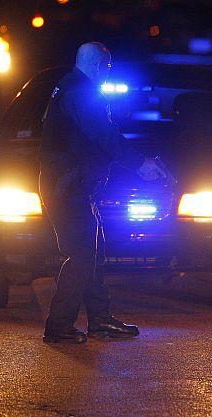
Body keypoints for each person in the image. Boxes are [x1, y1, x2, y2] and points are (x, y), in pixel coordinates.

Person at [39, 42, 166, 344]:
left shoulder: (71, 88)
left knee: (92, 254)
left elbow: (95, 138)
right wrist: (140, 164)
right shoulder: (81, 93)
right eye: (107, 68)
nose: (108, 74)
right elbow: (104, 135)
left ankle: (99, 321)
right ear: (98, 65)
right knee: (82, 254)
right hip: (68, 187)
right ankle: (58, 327)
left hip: (74, 186)